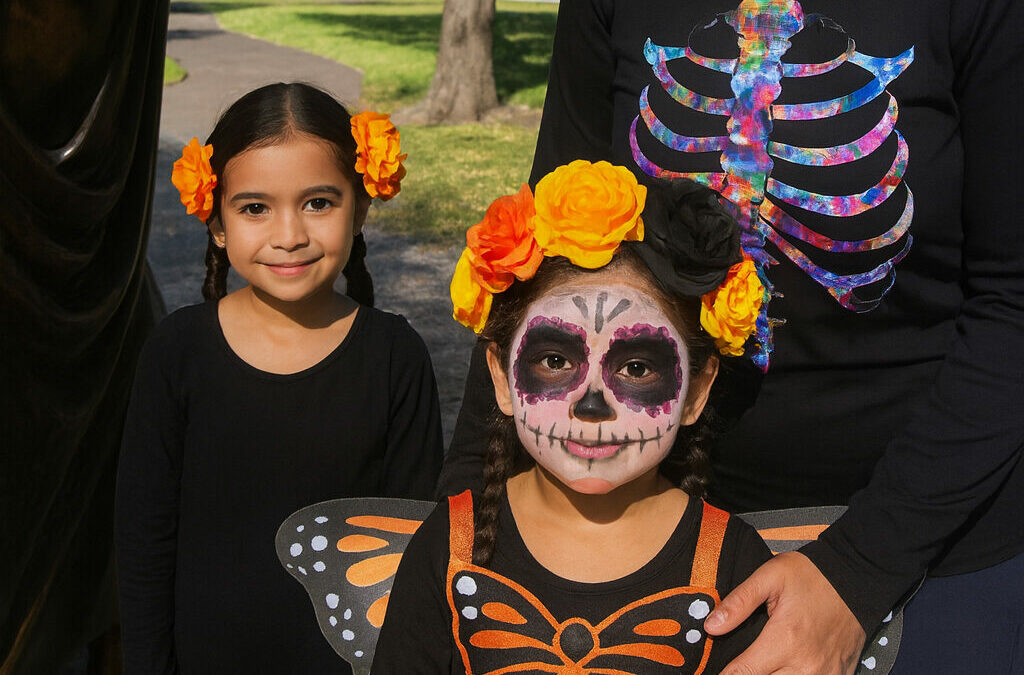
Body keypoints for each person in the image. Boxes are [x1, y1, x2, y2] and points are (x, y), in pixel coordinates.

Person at [442, 1, 1024, 673]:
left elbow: (1012, 300)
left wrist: (861, 567)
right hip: (660, 531)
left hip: (933, 547)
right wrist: (460, 504)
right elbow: (543, 265)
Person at [373, 161, 773, 673]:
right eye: (555, 361)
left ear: (697, 389)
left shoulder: (733, 566)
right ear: (501, 376)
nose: (591, 404)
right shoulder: (449, 548)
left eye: (635, 367)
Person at [114, 82, 444, 674]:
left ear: (361, 207)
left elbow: (412, 551)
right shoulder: (176, 352)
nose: (289, 234)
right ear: (216, 221)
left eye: (318, 202)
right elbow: (143, 543)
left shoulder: (396, 357)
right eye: (255, 208)